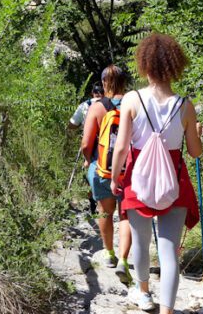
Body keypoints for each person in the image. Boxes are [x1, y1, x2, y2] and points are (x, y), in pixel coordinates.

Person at [111, 33, 203, 313]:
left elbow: (122, 147)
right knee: (168, 251)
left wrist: (115, 177)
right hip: (174, 181)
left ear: (145, 64)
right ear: (175, 65)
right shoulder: (186, 106)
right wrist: (198, 134)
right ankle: (167, 311)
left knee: (140, 241)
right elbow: (195, 152)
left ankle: (143, 293)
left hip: (137, 180)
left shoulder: (131, 99)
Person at [81, 66, 132, 272]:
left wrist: (89, 161)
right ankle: (124, 259)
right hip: (129, 169)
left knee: (105, 212)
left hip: (102, 168)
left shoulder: (97, 107)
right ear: (125, 81)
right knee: (126, 214)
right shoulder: (134, 102)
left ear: (103, 84)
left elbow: (86, 144)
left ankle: (109, 253)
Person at [70, 84, 104, 217]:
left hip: (89, 142)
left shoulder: (85, 105)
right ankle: (103, 201)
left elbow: (73, 123)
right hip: (105, 142)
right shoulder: (109, 104)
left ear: (92, 93)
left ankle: (92, 204)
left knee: (88, 170)